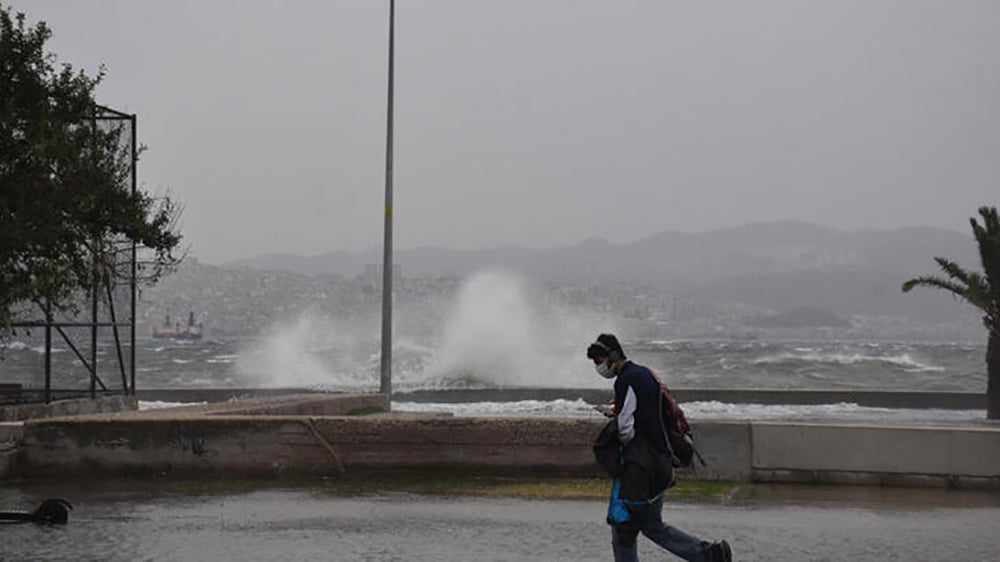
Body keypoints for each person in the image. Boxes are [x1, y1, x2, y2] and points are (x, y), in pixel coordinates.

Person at [587, 333, 732, 562]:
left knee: (623, 529)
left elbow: (626, 425)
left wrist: (620, 440)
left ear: (613, 355)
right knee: (651, 524)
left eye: (599, 360)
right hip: (659, 461)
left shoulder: (626, 379)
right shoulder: (645, 373)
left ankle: (708, 555)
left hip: (641, 468)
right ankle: (709, 555)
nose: (599, 366)